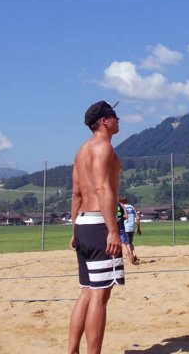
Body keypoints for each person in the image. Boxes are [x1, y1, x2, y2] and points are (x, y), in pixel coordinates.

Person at [68, 101, 125, 354]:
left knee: (87, 293)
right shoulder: (103, 148)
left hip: (83, 224)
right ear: (104, 121)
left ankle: (72, 350)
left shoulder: (81, 151)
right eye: (114, 115)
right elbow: (102, 188)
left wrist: (74, 230)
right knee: (100, 297)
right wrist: (113, 230)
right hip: (100, 224)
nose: (118, 119)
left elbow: (76, 193)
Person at [120, 196, 141, 265]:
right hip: (132, 227)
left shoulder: (121, 207)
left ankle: (131, 258)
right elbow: (137, 218)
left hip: (125, 227)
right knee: (130, 242)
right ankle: (134, 254)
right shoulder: (131, 207)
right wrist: (138, 227)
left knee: (126, 244)